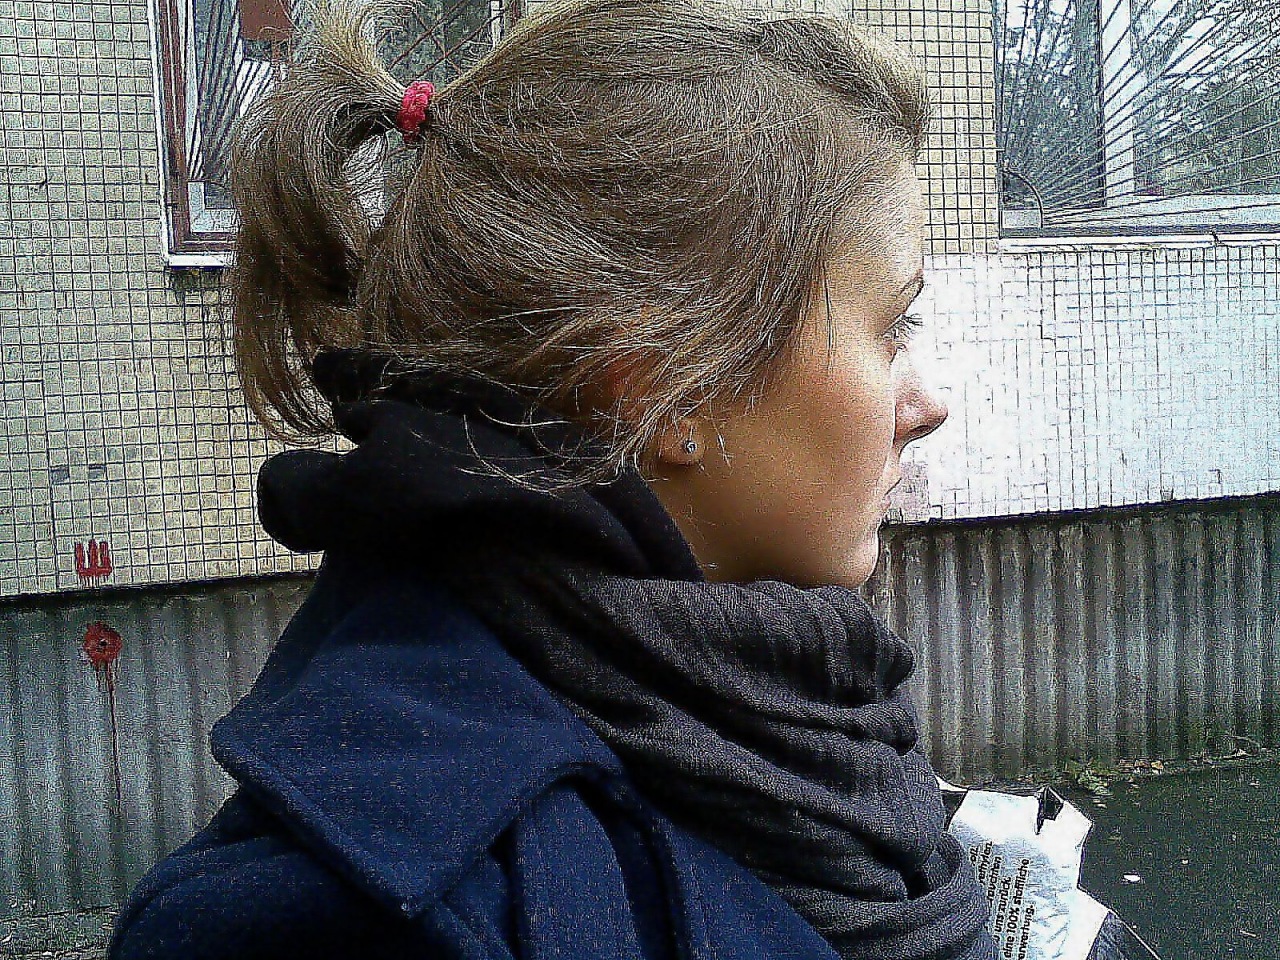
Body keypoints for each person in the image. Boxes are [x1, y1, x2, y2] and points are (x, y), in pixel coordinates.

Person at [108, 0, 998, 956]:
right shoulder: (348, 922)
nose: (928, 404)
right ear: (670, 387)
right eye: (892, 326)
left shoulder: (785, 718)